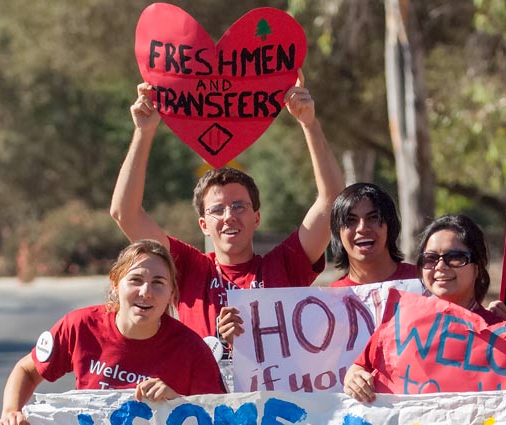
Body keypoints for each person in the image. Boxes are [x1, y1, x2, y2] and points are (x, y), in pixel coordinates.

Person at [110, 71, 344, 344]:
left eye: (239, 206)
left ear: (257, 218)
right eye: (217, 210)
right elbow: (124, 213)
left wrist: (309, 123)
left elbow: (333, 202)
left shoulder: (285, 264)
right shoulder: (187, 268)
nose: (229, 216)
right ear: (203, 225)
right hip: (202, 388)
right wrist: (144, 131)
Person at [0, 240, 226, 425]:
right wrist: (10, 411)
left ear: (172, 294)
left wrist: (176, 404)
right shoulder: (80, 326)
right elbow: (26, 371)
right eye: (135, 280)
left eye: (158, 283)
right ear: (115, 284)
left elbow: (221, 424)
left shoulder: (192, 349)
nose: (146, 292)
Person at [343, 214, 503, 402]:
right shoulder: (399, 324)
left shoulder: (501, 332)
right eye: (430, 258)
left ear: (478, 266)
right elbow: (358, 368)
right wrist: (355, 379)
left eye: (455, 257)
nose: (440, 266)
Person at [329, 182, 416, 287]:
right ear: (338, 232)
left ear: (390, 224)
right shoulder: (331, 299)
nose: (362, 228)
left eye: (373, 217)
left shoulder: (425, 284)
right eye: (351, 220)